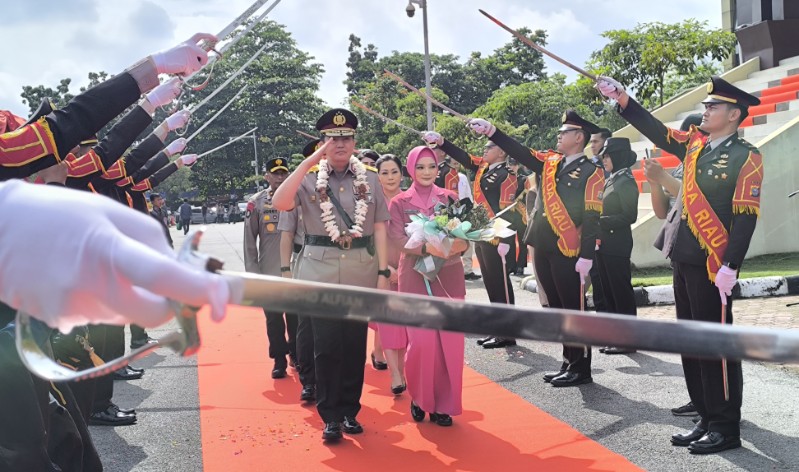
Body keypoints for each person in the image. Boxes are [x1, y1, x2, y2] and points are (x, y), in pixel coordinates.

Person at [598, 75, 763, 454]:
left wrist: (731, 266)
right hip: (684, 258)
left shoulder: (747, 156)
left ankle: (726, 425)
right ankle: (705, 416)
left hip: (713, 265)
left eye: (713, 107)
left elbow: (745, 216)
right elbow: (657, 132)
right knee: (691, 342)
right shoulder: (694, 146)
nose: (705, 111)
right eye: (705, 106)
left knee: (716, 345)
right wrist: (623, 98)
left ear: (734, 115)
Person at [272, 108, 390, 443]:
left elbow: (380, 228)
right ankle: (330, 416)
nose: (339, 143)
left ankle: (350, 411)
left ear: (355, 141)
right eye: (331, 138)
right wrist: (308, 163)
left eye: (346, 137)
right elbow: (281, 202)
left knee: (353, 345)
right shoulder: (308, 177)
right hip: (318, 271)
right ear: (322, 142)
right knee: (325, 347)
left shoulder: (369, 177)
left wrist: (383, 272)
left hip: (360, 271)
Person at [467, 111, 604, 387]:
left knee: (572, 308)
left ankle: (581, 366)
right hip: (543, 244)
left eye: (564, 132)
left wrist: (587, 255)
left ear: (579, 138)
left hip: (568, 249)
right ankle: (568, 360)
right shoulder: (550, 163)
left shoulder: (592, 171)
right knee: (554, 306)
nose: (558, 135)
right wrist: (493, 131)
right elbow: (520, 150)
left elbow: (592, 217)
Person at [389, 146, 467, 427]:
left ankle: (443, 405)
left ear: (438, 169)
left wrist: (451, 246)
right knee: (421, 342)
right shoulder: (399, 202)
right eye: (420, 167)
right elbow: (398, 240)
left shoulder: (451, 198)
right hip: (414, 277)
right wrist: (429, 248)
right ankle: (420, 397)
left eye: (431, 167)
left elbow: (465, 238)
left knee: (449, 344)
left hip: (449, 277)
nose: (426, 172)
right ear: (411, 169)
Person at [423, 131, 521, 349]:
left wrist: (506, 240)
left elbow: (509, 210)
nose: (484, 151)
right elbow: (464, 157)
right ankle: (497, 328)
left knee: (501, 283)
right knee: (490, 282)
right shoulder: (483, 169)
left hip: (498, 234)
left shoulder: (507, 175)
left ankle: (508, 331)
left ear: (502, 152)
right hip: (482, 231)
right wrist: (442, 141)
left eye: (489, 148)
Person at [244, 157, 297, 379]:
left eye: (283, 173)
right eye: (275, 173)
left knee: (296, 317)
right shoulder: (256, 203)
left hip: (295, 270)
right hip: (269, 272)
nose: (280, 177)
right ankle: (278, 359)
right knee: (274, 319)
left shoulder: (297, 198)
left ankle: (297, 354)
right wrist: (253, 275)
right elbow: (249, 241)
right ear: (267, 176)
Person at [594, 138, 639, 355]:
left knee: (621, 292)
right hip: (605, 243)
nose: (604, 160)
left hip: (617, 243)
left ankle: (628, 339)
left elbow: (630, 215)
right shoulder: (612, 179)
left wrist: (602, 221)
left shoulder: (626, 181)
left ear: (619, 156)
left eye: (608, 155)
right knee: (608, 291)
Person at [374, 153, 407, 394]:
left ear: (402, 174)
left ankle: (403, 371)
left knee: (405, 324)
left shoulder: (410, 201)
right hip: (382, 270)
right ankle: (395, 374)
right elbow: (367, 240)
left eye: (394, 171)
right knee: (387, 323)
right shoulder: (370, 204)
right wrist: (386, 268)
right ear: (378, 177)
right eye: (384, 173)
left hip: (410, 270)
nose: (390, 177)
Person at [435, 150, 481, 281]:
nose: (456, 165)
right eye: (454, 163)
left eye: (457, 163)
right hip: (449, 211)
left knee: (467, 241)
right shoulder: (446, 174)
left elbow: (467, 194)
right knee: (448, 241)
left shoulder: (462, 177)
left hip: (464, 210)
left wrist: (471, 208)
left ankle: (467, 270)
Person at [587, 128, 612, 312]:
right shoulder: (589, 166)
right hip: (592, 229)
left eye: (596, 141)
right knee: (596, 277)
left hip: (609, 229)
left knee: (609, 280)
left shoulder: (612, 167)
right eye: (591, 141)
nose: (592, 145)